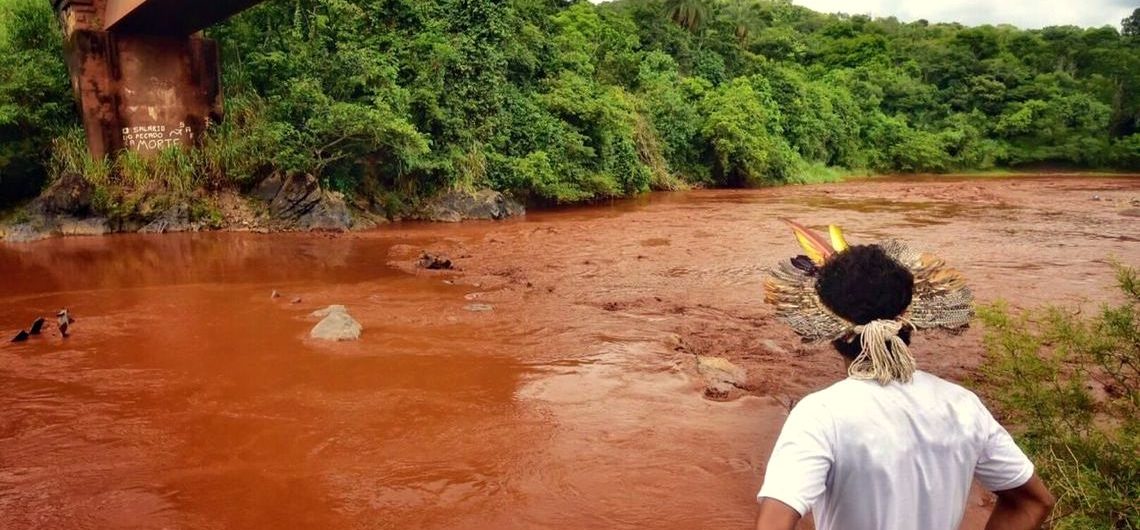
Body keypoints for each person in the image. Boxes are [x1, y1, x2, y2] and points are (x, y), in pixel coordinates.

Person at [757, 222, 1055, 530]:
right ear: (908, 323)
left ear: (830, 332)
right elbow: (1032, 500)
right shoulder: (963, 406)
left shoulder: (821, 414)